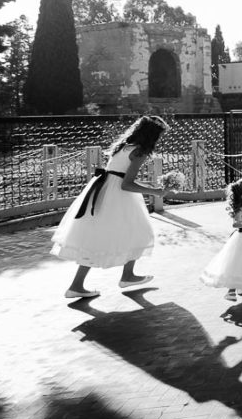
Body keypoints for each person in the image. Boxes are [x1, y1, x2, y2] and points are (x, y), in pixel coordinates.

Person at [51, 115, 175, 300]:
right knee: (140, 231)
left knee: (98, 237)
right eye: (160, 135)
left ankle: (82, 284)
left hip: (105, 189)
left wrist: (148, 184)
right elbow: (126, 184)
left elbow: (119, 175)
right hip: (119, 196)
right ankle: (125, 276)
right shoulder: (140, 151)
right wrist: (156, 191)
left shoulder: (124, 146)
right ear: (152, 135)